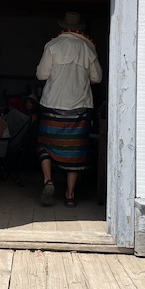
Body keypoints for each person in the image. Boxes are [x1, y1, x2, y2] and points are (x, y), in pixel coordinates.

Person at [36, 11, 102, 207]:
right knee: (75, 151)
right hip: (79, 108)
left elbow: (41, 75)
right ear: (80, 27)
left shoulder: (53, 45)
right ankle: (70, 195)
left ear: (63, 26)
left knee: (44, 145)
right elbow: (97, 78)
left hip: (52, 105)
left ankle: (48, 180)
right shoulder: (87, 49)